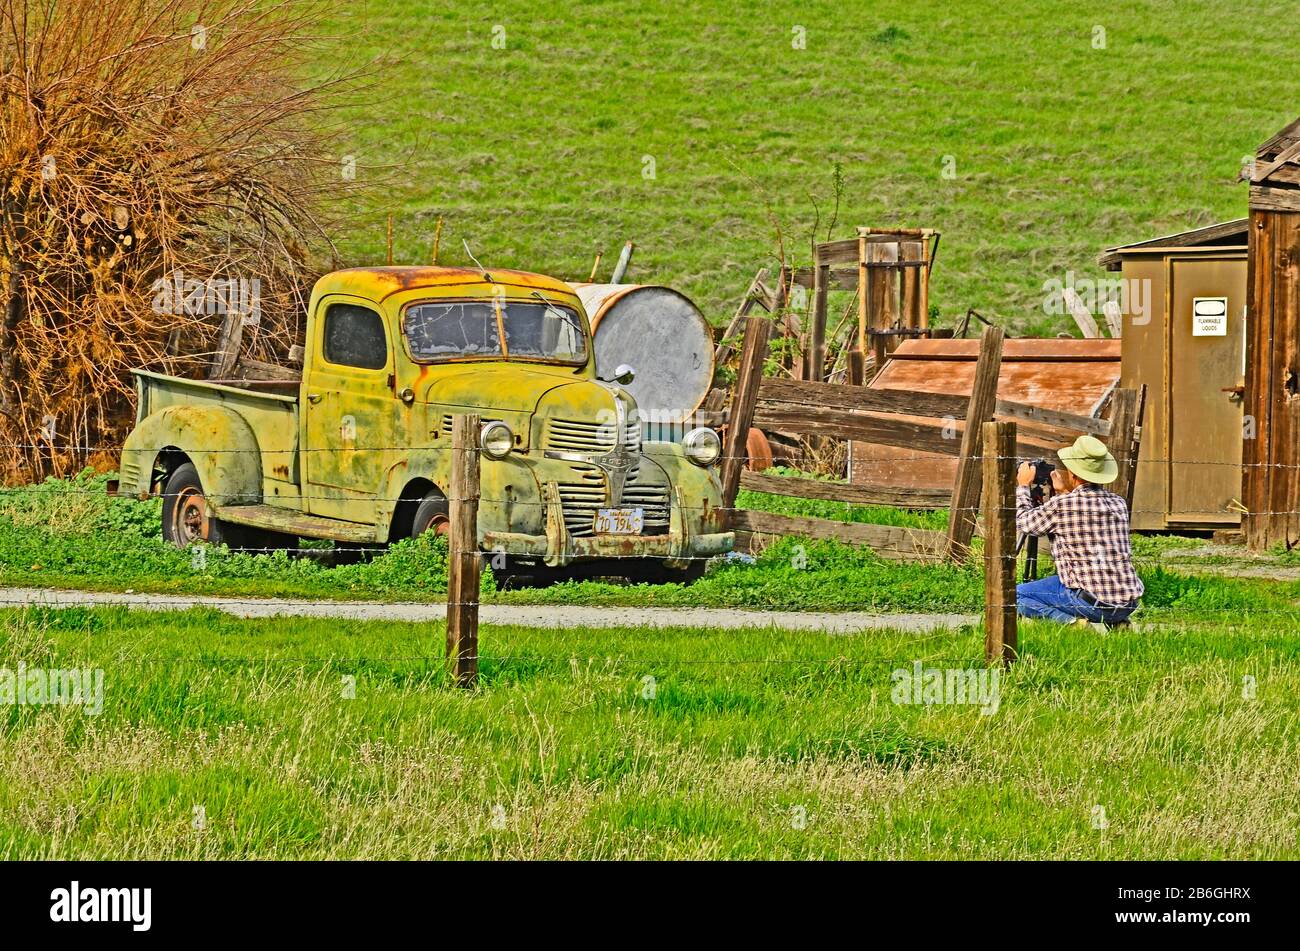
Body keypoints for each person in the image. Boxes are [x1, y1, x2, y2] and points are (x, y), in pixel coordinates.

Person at [1014, 434, 1143, 626]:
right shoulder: (1119, 503)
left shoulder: (1063, 505)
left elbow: (1025, 523)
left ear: (1072, 473)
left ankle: (1072, 624)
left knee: (1013, 595)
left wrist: (1023, 486)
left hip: (1089, 603)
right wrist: (1062, 493)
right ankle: (1119, 622)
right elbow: (1086, 516)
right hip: (1127, 603)